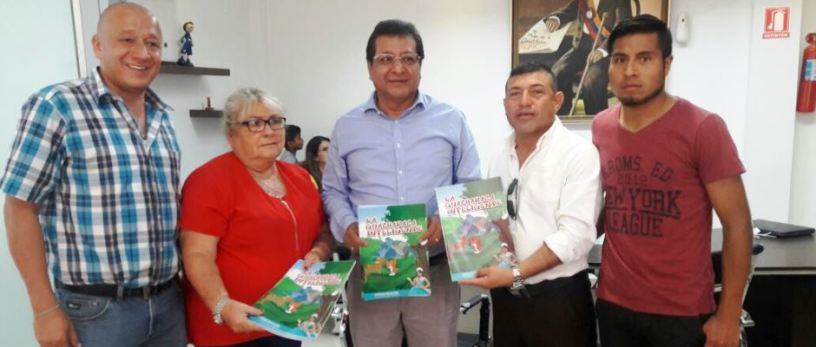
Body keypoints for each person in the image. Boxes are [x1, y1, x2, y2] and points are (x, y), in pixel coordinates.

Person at [1, 3, 186, 346]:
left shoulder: (165, 116)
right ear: (98, 46)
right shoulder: (56, 105)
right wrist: (43, 309)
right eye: (126, 40)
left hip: (167, 304)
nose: (142, 53)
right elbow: (19, 208)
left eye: (152, 43)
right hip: (97, 312)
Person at [592, 15, 753, 347]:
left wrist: (729, 314)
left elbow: (737, 223)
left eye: (644, 58)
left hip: (680, 312)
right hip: (613, 303)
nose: (630, 71)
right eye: (620, 59)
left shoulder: (703, 127)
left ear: (667, 65)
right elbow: (610, 207)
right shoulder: (602, 126)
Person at [322, 19, 481, 347]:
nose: (398, 68)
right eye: (385, 59)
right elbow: (333, 190)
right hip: (371, 270)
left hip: (435, 269)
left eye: (408, 58)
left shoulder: (451, 120)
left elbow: (469, 184)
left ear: (421, 65)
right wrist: (346, 224)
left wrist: (446, 220)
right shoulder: (347, 127)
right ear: (369, 67)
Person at [180, 87, 335, 347]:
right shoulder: (208, 181)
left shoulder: (300, 177)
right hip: (232, 329)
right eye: (254, 123)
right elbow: (197, 254)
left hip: (288, 319)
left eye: (275, 121)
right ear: (231, 134)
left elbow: (323, 229)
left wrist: (320, 250)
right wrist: (222, 305)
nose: (268, 130)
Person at [461, 63, 602, 347]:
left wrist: (514, 273)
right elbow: (496, 223)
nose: (524, 102)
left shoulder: (579, 154)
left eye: (536, 92)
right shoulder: (498, 158)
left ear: (558, 100)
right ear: (505, 104)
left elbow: (576, 236)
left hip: (558, 299)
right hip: (507, 297)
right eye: (515, 94)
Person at [545, 0, 632, 115]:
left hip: (609, 50)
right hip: (582, 47)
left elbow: (623, 28)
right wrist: (556, 18)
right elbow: (569, 10)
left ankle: (596, 119)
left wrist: (603, 50)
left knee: (590, 81)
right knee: (557, 71)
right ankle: (563, 116)